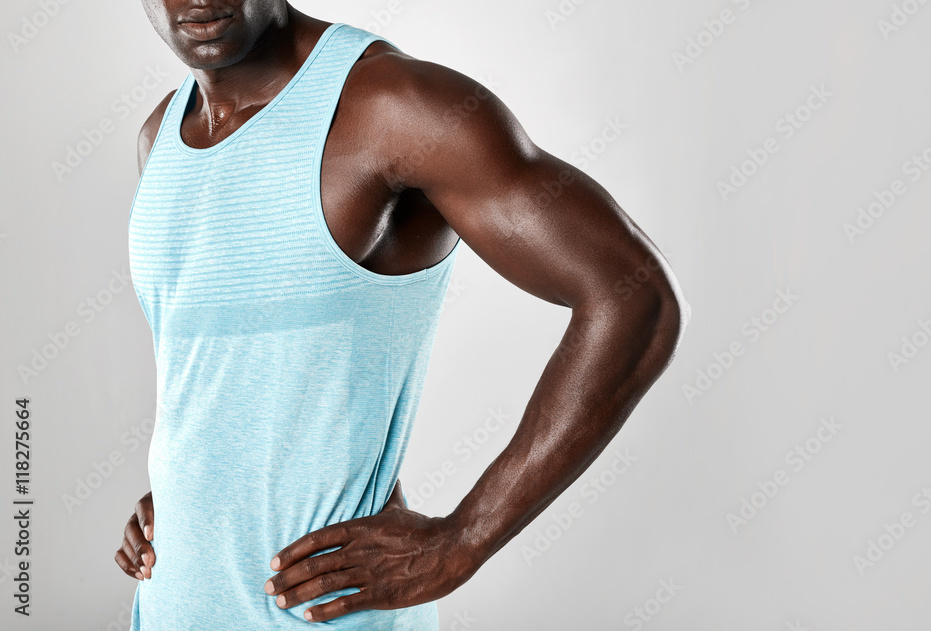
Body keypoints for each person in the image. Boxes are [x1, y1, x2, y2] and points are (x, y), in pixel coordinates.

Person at [114, 1, 690, 628]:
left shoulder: (393, 106)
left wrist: (463, 539)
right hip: (170, 603)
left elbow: (635, 297)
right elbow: (218, 369)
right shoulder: (159, 136)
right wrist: (190, 493)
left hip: (323, 613)